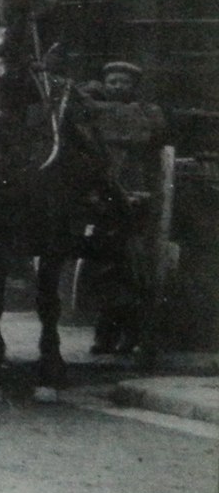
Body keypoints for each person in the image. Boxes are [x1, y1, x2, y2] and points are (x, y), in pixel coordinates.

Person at [80, 61, 168, 355]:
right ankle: (105, 333)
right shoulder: (94, 114)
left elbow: (152, 139)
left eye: (124, 83)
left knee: (133, 268)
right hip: (104, 200)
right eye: (112, 82)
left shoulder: (147, 113)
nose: (117, 87)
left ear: (134, 88)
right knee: (104, 269)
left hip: (135, 196)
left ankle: (131, 334)